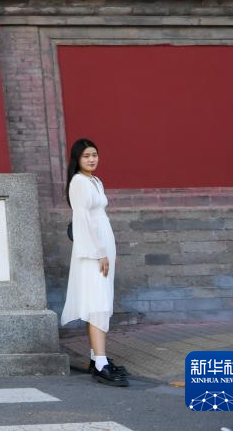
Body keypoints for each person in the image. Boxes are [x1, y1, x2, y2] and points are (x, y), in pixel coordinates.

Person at [60, 138, 129, 386]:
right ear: (77, 159)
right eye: (86, 156)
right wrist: (99, 252)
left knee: (99, 300)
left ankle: (96, 357)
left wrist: (108, 251)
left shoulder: (95, 180)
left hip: (102, 246)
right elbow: (83, 220)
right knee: (97, 302)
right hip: (92, 251)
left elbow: (98, 217)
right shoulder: (78, 182)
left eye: (94, 155)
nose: (91, 159)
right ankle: (100, 364)